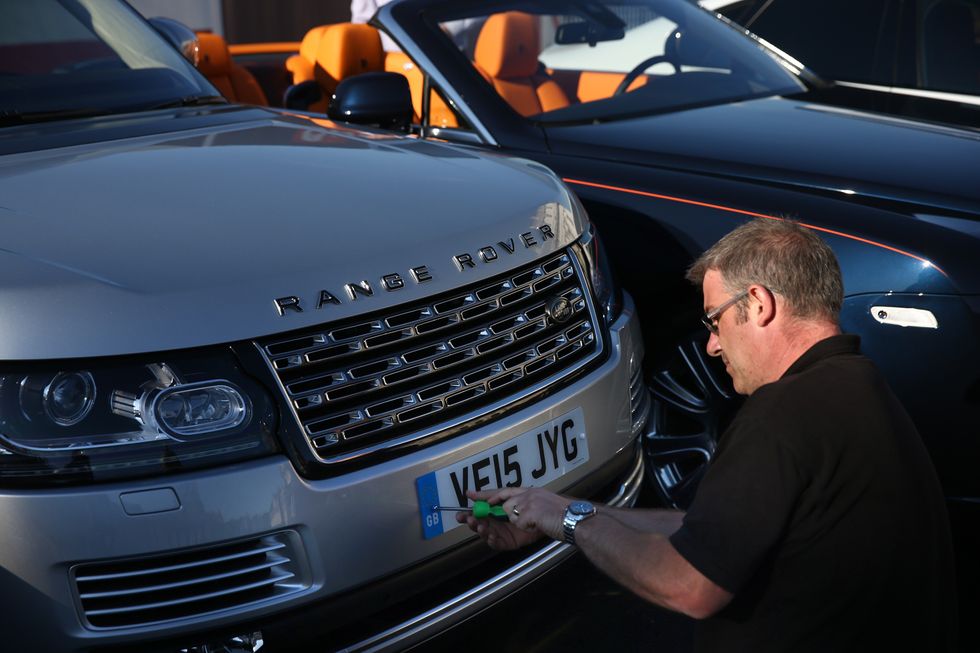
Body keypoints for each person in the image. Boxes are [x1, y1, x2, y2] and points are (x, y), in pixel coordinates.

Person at [462, 218, 957, 651]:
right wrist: (553, 510)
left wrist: (566, 518)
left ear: (759, 303)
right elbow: (713, 532)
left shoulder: (782, 412)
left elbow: (690, 583)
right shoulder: (857, 387)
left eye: (715, 319)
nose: (713, 345)